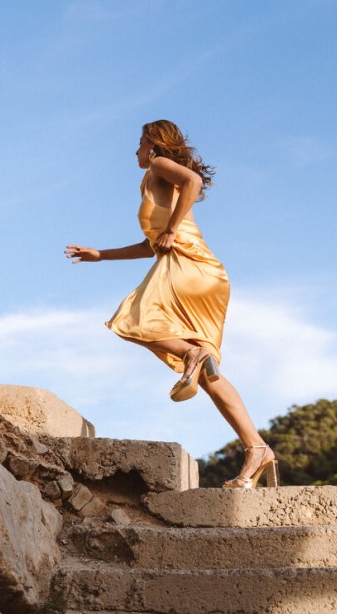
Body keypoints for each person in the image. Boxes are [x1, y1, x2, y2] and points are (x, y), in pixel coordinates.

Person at [64, 120, 278, 489]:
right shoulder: (152, 181)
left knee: (132, 320)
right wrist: (102, 255)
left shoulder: (160, 166)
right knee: (209, 377)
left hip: (191, 267)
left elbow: (191, 185)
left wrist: (172, 230)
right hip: (197, 271)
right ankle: (257, 448)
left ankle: (189, 353)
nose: (135, 150)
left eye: (140, 142)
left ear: (154, 144)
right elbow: (153, 244)